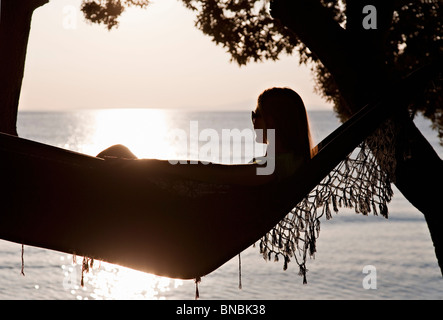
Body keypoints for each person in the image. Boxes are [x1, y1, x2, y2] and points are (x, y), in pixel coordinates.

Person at [96, 87, 316, 186]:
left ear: (271, 122)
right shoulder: (286, 163)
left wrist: (148, 165)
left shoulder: (270, 170)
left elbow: (221, 174)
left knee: (114, 157)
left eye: (255, 115)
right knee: (118, 152)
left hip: (182, 211)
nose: (252, 121)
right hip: (186, 202)